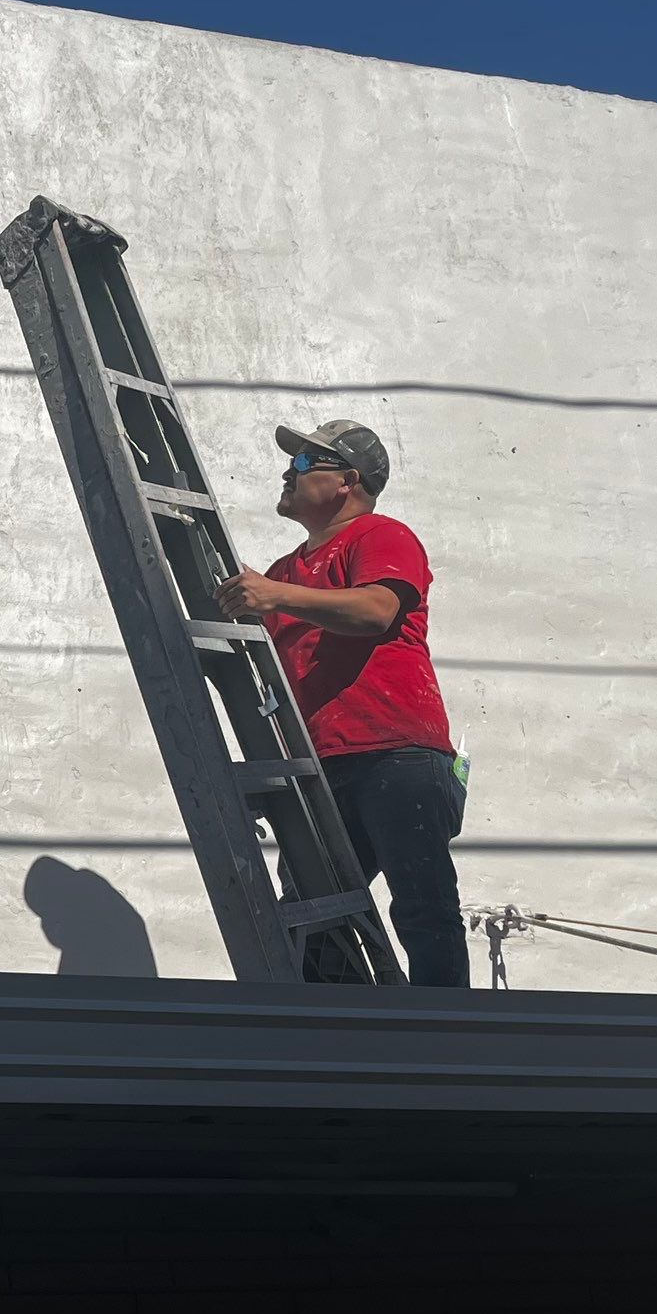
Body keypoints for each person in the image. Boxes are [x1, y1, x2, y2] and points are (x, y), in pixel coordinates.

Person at [215, 422, 468, 987]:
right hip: (321, 765)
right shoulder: (284, 573)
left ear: (346, 482)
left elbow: (377, 610)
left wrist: (274, 596)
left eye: (305, 464)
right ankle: (340, 1043)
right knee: (313, 919)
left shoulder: (380, 535)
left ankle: (448, 1041)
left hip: (396, 755)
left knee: (422, 908)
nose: (288, 472)